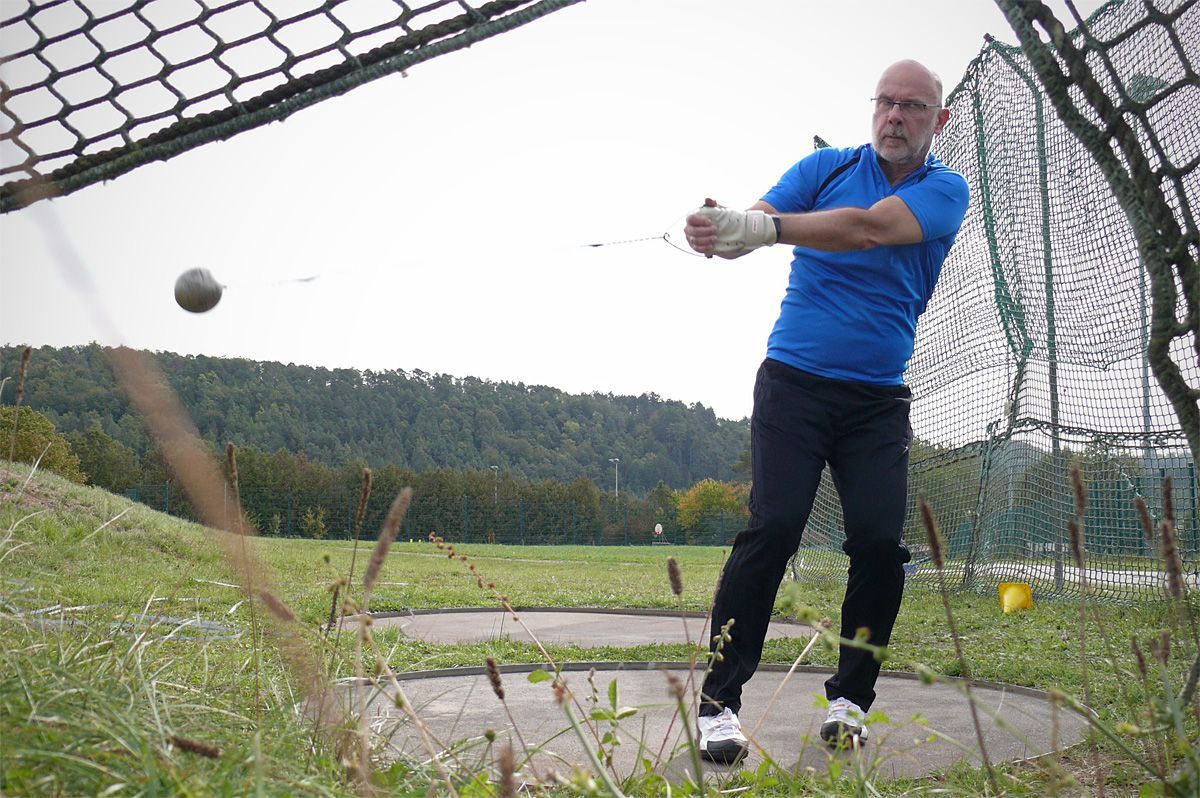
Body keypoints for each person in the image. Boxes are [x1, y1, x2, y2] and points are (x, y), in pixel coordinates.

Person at [683, 59, 970, 764]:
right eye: (885, 102)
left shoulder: (945, 189)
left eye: (912, 106)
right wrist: (723, 230)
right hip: (794, 385)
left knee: (878, 545)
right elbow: (753, 225)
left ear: (939, 120)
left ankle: (849, 702)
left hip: (876, 400)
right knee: (774, 527)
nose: (894, 116)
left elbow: (867, 230)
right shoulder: (825, 168)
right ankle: (719, 706)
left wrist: (763, 229)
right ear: (873, 107)